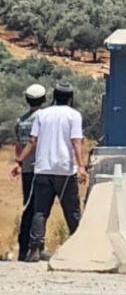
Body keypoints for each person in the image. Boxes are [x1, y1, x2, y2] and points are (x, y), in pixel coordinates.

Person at [11, 82, 86, 263]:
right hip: (65, 170)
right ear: (70, 98)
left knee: (40, 211)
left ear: (53, 97)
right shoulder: (74, 115)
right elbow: (76, 142)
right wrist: (81, 166)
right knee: (72, 211)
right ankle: (79, 247)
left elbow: (32, 140)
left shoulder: (42, 115)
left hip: (42, 169)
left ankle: (34, 249)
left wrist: (19, 161)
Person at [10, 84, 46, 261]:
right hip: (40, 168)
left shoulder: (21, 120)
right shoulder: (43, 118)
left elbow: (18, 145)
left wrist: (19, 163)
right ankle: (32, 247)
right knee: (38, 208)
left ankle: (24, 248)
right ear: (44, 99)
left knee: (29, 205)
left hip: (26, 169)